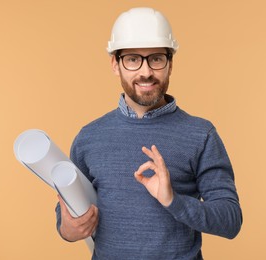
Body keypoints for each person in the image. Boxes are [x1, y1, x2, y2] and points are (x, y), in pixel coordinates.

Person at [55, 7, 242, 260]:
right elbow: (66, 215)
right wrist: (68, 229)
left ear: (170, 63)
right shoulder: (89, 138)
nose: (145, 72)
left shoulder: (201, 135)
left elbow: (230, 220)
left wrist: (173, 200)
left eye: (156, 58)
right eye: (133, 59)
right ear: (115, 64)